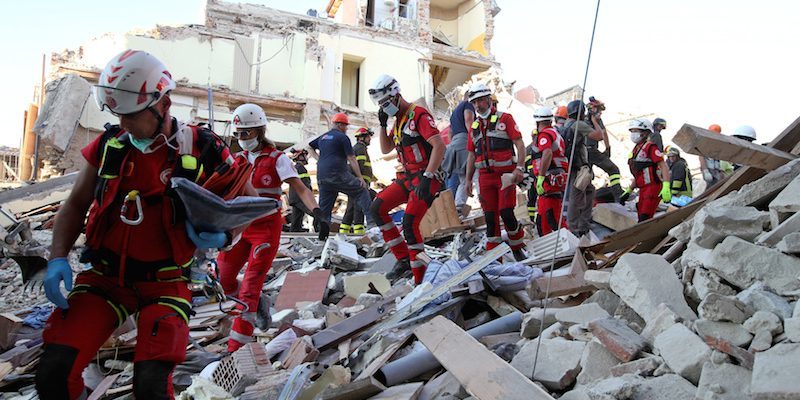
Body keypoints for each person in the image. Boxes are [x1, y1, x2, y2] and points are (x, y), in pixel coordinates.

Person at [37, 50, 243, 399]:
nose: (123, 123)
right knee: (54, 371)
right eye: (117, 114)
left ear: (163, 104)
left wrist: (225, 234)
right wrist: (57, 258)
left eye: (131, 115)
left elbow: (247, 201)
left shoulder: (204, 147)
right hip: (105, 278)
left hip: (165, 282)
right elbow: (74, 205)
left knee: (151, 384)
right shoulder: (108, 146)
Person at [219, 104, 328, 352]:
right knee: (223, 281)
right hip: (239, 228)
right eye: (237, 134)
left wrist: (318, 212)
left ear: (258, 130)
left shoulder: (277, 160)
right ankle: (259, 303)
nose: (241, 139)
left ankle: (235, 352)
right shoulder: (238, 159)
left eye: (245, 133)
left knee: (248, 289)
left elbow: (299, 188)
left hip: (266, 229)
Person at [368, 74, 445, 283]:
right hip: (408, 177)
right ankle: (403, 259)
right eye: (381, 105)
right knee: (378, 208)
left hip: (426, 177)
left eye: (386, 103)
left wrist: (428, 176)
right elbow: (386, 149)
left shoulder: (418, 115)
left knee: (410, 224)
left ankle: (420, 279)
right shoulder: (400, 121)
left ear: (396, 95)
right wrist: (383, 125)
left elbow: (439, 145)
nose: (385, 107)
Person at [464, 83, 527, 261]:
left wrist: (520, 168)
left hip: (505, 176)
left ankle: (517, 248)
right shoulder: (474, 127)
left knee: (506, 212)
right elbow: (471, 155)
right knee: (490, 217)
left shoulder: (505, 119)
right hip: (484, 178)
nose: (477, 106)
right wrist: (468, 180)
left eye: (480, 101)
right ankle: (495, 257)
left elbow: (520, 144)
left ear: (489, 100)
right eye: (474, 103)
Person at [309, 113, 374, 234]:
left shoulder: (323, 137)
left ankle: (321, 233)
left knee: (325, 208)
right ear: (339, 125)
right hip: (338, 173)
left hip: (322, 176)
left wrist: (319, 160)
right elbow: (352, 158)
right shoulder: (342, 137)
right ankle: (372, 224)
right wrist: (360, 178)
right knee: (361, 190)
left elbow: (309, 147)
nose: (346, 129)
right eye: (345, 126)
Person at [562, 100, 604, 237]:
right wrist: (594, 120)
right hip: (578, 168)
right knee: (577, 195)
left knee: (589, 191)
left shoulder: (566, 124)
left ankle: (583, 224)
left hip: (571, 165)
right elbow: (599, 136)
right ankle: (574, 228)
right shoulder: (579, 125)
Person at [531, 107, 569, 235]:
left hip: (548, 181)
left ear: (538, 122)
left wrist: (541, 177)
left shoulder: (545, 135)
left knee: (552, 219)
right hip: (553, 180)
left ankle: (567, 248)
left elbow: (547, 153)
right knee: (545, 219)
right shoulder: (555, 133)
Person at [627, 118, 671, 221]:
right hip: (643, 188)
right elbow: (639, 172)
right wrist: (629, 190)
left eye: (636, 131)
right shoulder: (637, 149)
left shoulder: (650, 147)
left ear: (645, 132)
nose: (633, 134)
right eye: (632, 131)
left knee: (644, 218)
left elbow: (663, 166)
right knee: (641, 216)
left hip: (652, 188)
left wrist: (666, 186)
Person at [584, 96, 623, 202]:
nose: (600, 113)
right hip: (588, 151)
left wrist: (607, 148)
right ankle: (618, 195)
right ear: (592, 109)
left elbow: (604, 133)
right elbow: (600, 135)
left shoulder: (597, 120)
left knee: (587, 178)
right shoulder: (586, 121)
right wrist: (595, 121)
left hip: (589, 151)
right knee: (613, 169)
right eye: (599, 110)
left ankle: (587, 201)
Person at [442, 91, 475, 215]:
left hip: (454, 145)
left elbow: (450, 133)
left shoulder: (455, 111)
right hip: (465, 142)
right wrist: (473, 139)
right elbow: (468, 121)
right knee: (475, 174)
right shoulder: (468, 105)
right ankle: (486, 204)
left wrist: (454, 144)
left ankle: (459, 208)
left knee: (463, 179)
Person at [340, 127, 376, 234]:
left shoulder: (356, 148)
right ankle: (358, 233)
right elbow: (359, 166)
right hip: (360, 183)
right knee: (358, 207)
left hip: (356, 182)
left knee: (351, 208)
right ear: (362, 138)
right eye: (368, 137)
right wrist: (362, 181)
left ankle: (343, 232)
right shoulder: (360, 149)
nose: (370, 139)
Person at [287, 149, 315, 232]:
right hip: (300, 198)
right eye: (304, 156)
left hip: (295, 197)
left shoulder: (296, 167)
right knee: (315, 213)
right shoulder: (300, 168)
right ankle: (320, 229)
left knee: (296, 220)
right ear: (300, 157)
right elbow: (304, 184)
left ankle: (294, 234)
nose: (306, 158)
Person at [525, 128, 541, 229]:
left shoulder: (528, 148)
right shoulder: (541, 146)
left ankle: (532, 220)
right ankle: (539, 219)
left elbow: (524, 164)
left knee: (532, 199)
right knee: (539, 198)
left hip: (531, 177)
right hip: (538, 176)